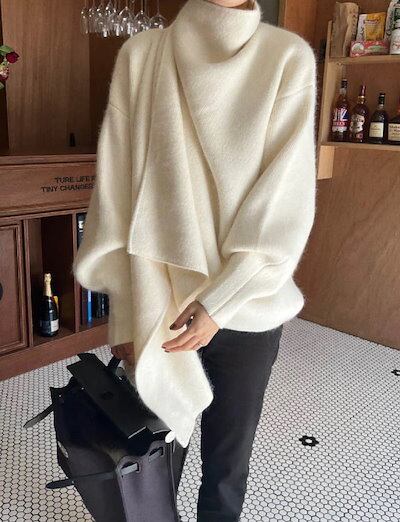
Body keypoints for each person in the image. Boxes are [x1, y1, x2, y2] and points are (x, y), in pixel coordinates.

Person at [72, 0, 317, 520]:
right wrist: (124, 313)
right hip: (159, 305)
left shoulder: (286, 57)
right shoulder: (142, 55)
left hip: (249, 307)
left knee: (228, 463)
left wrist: (220, 301)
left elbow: (284, 200)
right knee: (151, 464)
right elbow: (114, 196)